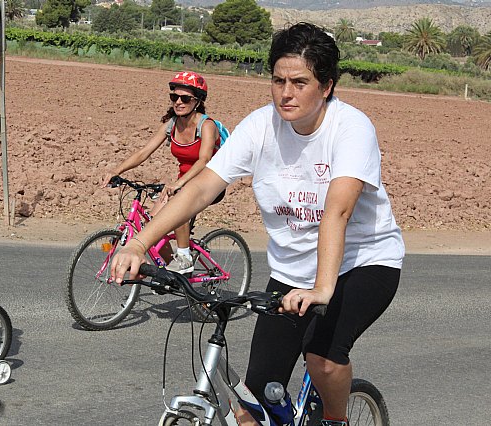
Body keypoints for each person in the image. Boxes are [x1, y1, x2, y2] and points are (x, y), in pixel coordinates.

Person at [110, 22, 404, 426]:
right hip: (290, 270)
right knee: (253, 404)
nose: (286, 93)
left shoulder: (351, 128)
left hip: (362, 261)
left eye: (300, 82)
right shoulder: (260, 126)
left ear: (327, 86)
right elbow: (201, 187)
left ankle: (336, 419)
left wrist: (322, 288)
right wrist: (139, 244)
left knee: (322, 355)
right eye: (278, 80)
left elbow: (337, 210)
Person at [102, 71, 222, 274]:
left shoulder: (206, 125)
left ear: (198, 101)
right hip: (183, 180)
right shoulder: (172, 124)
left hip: (210, 182)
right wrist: (116, 169)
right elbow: (144, 152)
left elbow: (204, 160)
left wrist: (179, 184)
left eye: (185, 98)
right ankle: (171, 273)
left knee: (181, 202)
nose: (178, 102)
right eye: (174, 97)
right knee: (153, 224)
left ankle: (184, 257)